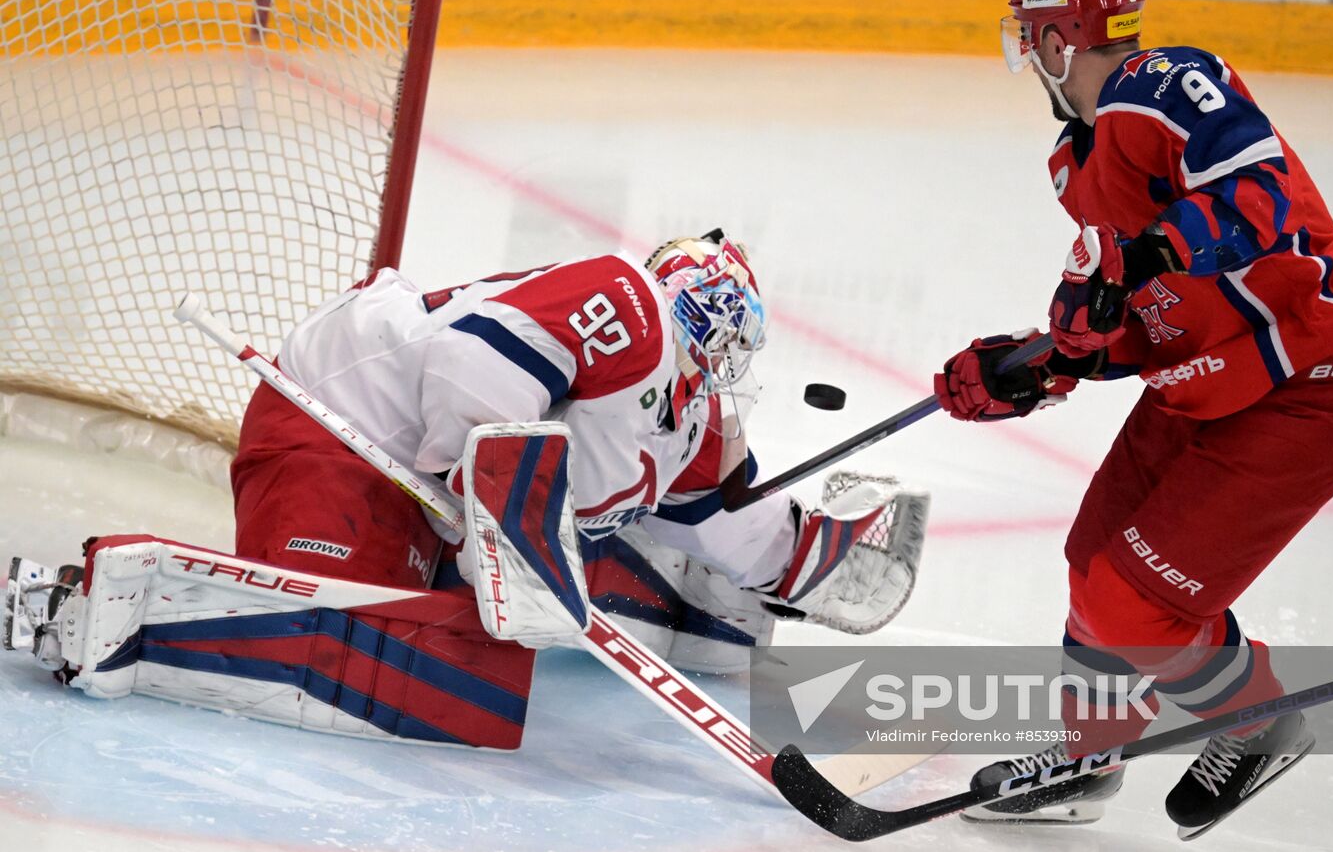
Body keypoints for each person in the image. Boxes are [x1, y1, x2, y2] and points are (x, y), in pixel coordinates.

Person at [5, 230, 926, 751]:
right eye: (727, 356)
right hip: (338, 427)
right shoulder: (629, 301)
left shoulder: (682, 424)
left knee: (470, 686)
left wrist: (811, 562)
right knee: (376, 649)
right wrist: (501, 517)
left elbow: (731, 526)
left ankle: (656, 609)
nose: (729, 380)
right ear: (709, 334)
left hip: (434, 496)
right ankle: (93, 610)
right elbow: (471, 362)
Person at [933, 0, 1333, 838]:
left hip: (1309, 381)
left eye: (1035, 39)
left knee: (1132, 601)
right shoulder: (1079, 162)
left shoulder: (1170, 85)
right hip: (1209, 381)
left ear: (1061, 40)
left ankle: (1259, 719)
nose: (1030, 59)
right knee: (1092, 559)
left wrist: (1146, 254)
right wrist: (1047, 360)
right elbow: (1150, 316)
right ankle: (1084, 755)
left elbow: (1262, 198)